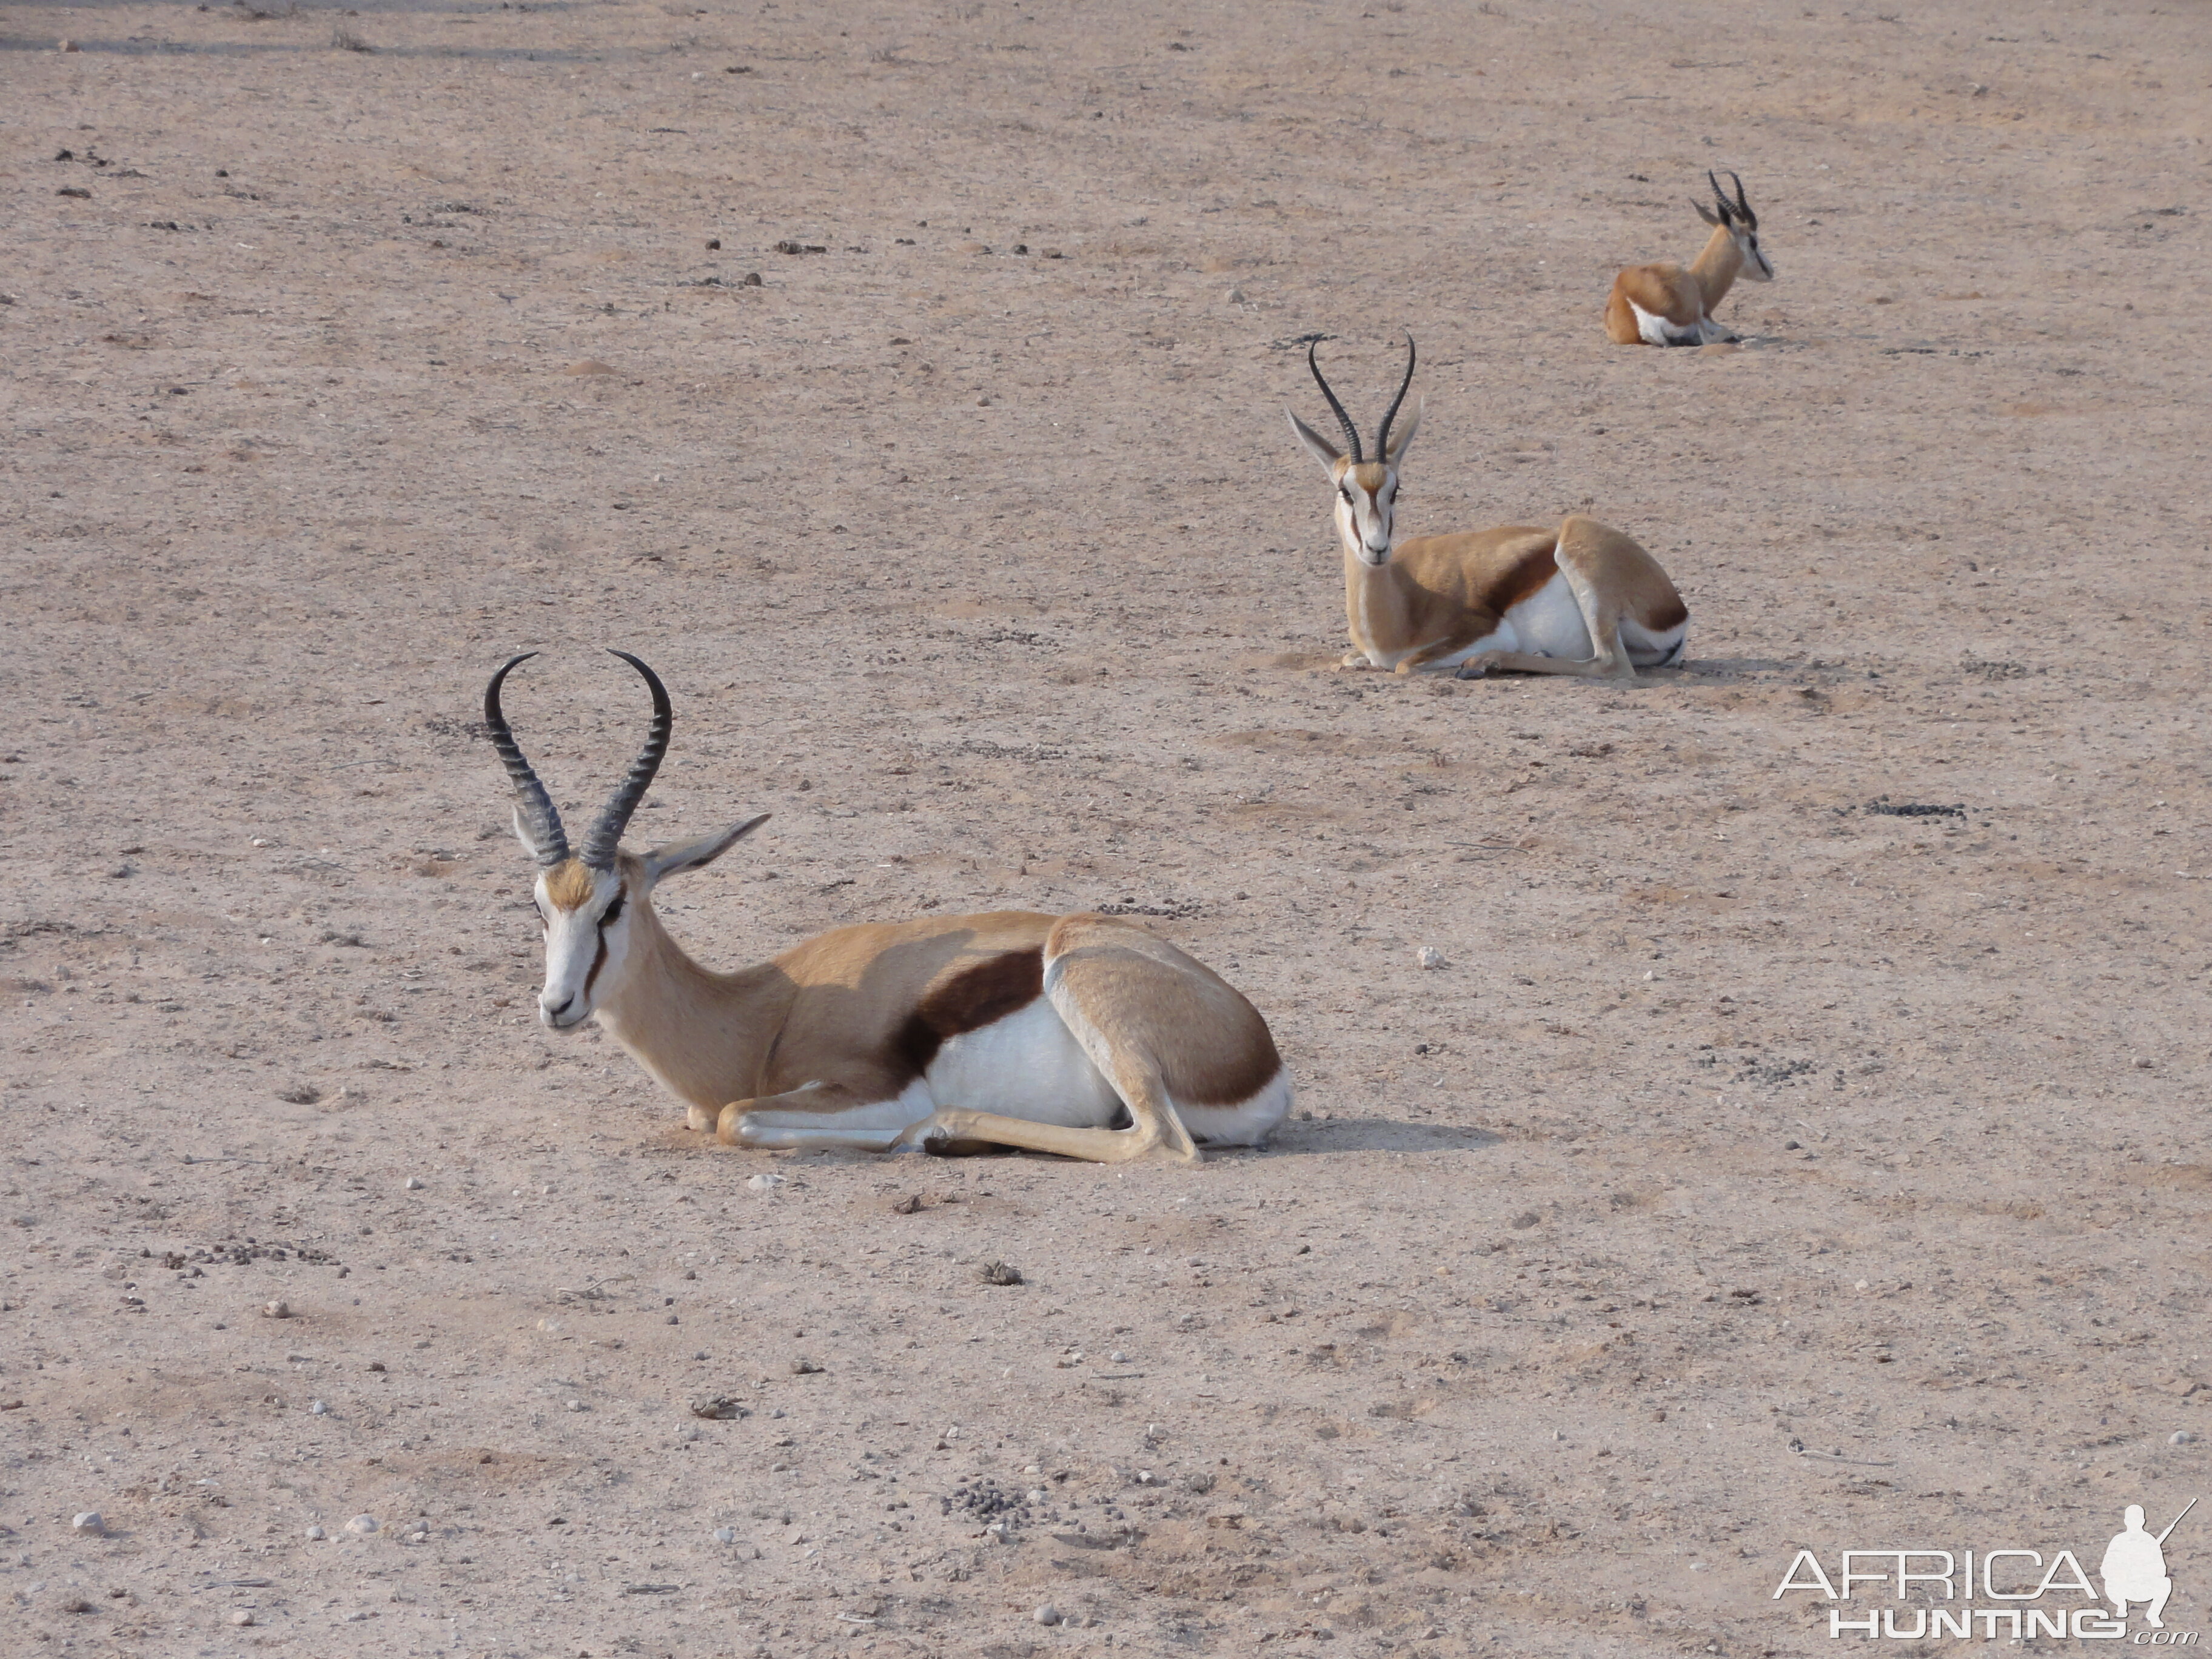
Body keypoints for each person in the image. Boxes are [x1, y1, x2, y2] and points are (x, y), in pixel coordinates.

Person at [2102, 1505, 2173, 1627]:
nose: (2134, 1523)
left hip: (2144, 1587)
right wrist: (2122, 1570)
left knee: (2166, 1583)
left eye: (2137, 1520)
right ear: (2125, 1522)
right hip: (2123, 1586)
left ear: (2143, 1522)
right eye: (2131, 1520)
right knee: (2110, 1582)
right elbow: (2106, 1567)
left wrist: (2145, 1570)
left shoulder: (2150, 1541)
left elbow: (2161, 1569)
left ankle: (2154, 1615)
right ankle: (2121, 1605)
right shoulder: (2118, 1540)